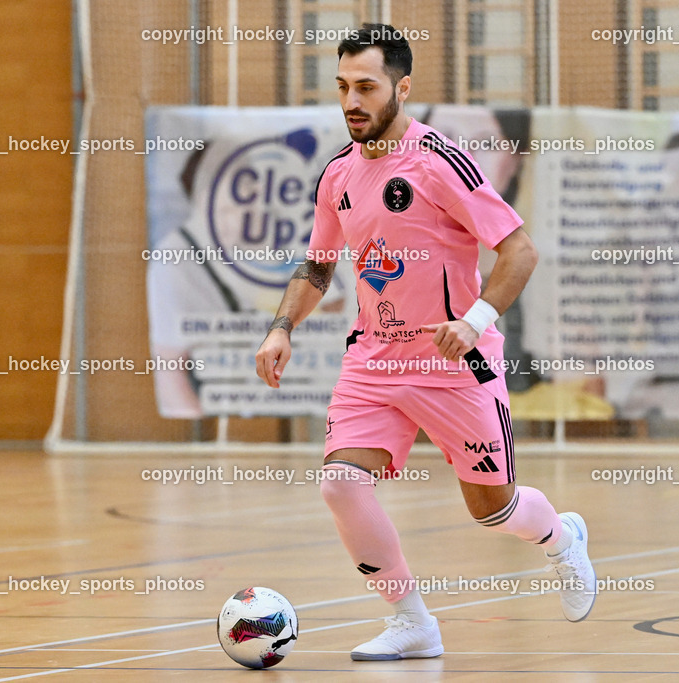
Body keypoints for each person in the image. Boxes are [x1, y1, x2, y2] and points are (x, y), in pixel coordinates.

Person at [255, 23, 595, 661]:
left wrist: (474, 319)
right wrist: (282, 327)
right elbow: (320, 267)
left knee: (492, 510)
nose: (352, 101)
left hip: (453, 363)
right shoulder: (338, 176)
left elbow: (518, 250)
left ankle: (560, 538)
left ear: (402, 88)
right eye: (343, 87)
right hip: (372, 360)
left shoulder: (441, 161)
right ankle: (411, 621)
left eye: (366, 86)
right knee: (339, 485)